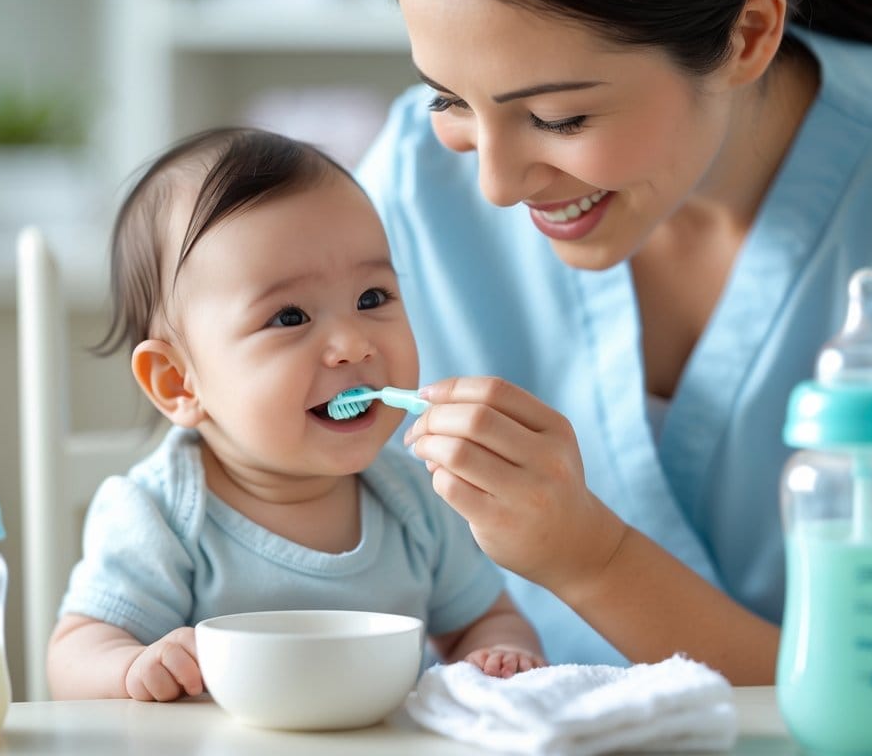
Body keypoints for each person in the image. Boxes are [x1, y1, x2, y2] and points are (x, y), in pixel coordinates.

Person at [356, 0, 872, 682]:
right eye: (447, 99)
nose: (494, 185)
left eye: (557, 118)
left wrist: (589, 560)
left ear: (748, 35)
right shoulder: (414, 180)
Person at [47, 127, 546, 701]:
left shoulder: (415, 498)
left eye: (372, 298)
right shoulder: (160, 517)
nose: (353, 344)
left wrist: (499, 652)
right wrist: (133, 667)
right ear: (179, 382)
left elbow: (486, 620)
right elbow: (72, 657)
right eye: (289, 317)